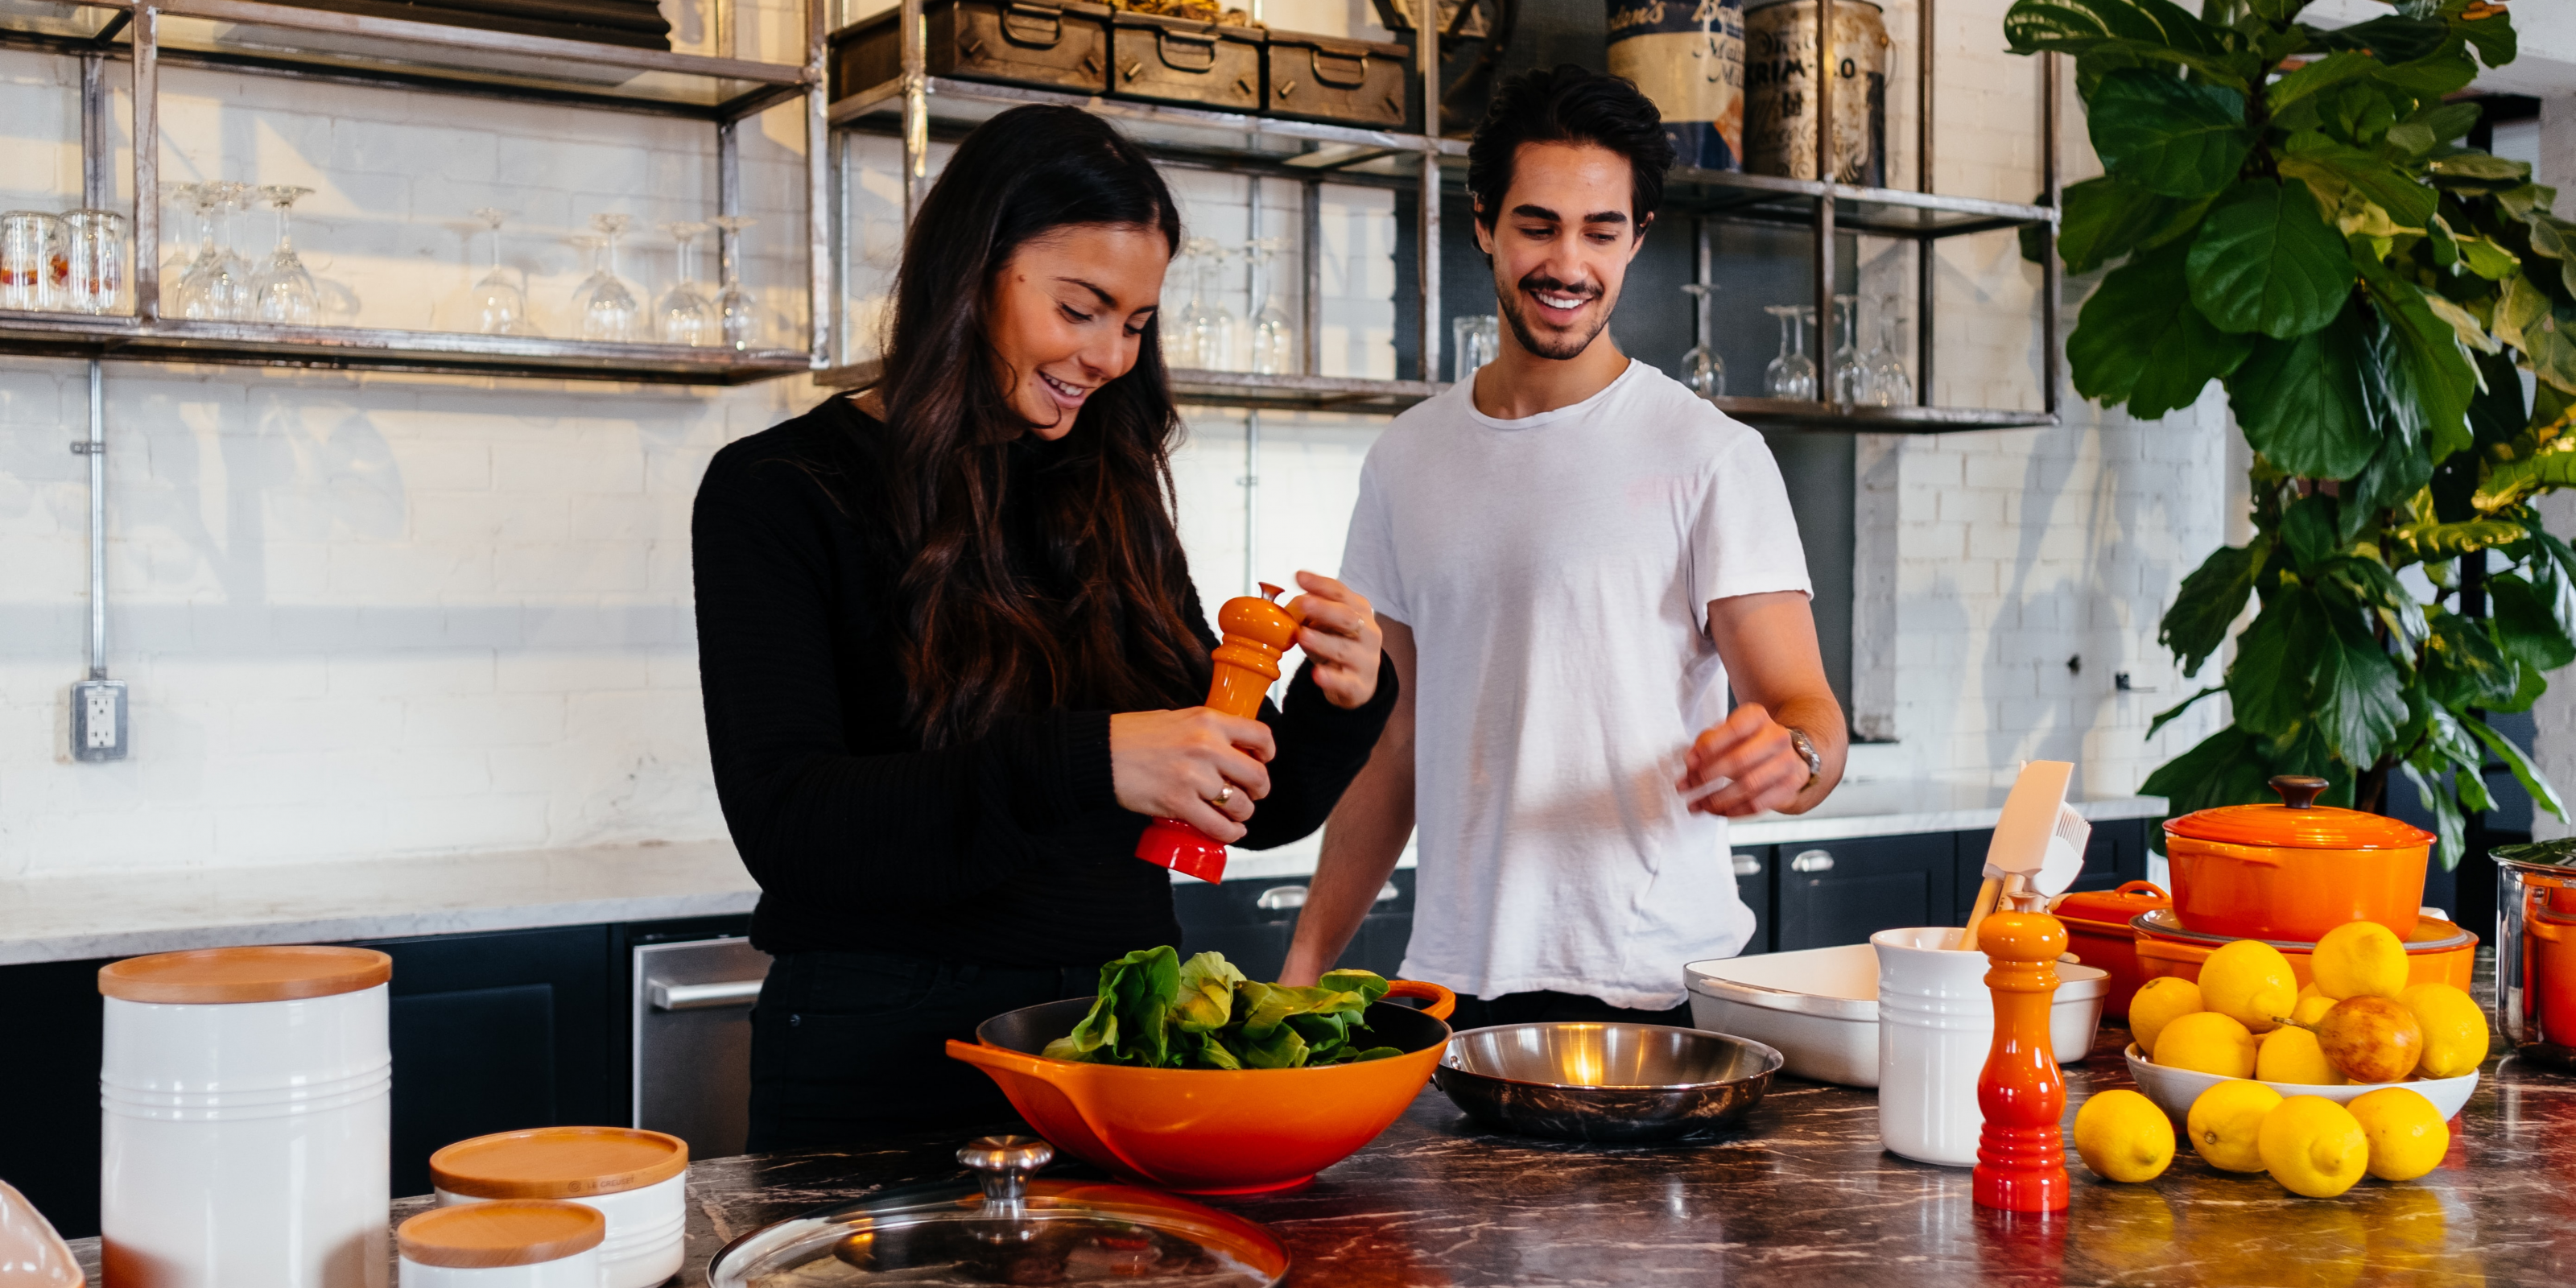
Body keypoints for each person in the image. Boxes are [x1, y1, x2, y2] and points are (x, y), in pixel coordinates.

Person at [692, 105, 1397, 1151]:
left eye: (1137, 322)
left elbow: (1237, 809)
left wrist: (1341, 701)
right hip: (882, 1065)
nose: (1111, 355)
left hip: (1120, 1048)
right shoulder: (779, 492)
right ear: (973, 270)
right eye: (1082, 308)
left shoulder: (1110, 496)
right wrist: (1094, 761)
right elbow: (791, 828)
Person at [1278, 66, 1846, 1026]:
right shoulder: (1407, 457)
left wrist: (1788, 759)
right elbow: (1393, 742)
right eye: (1537, 225)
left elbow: (1807, 718)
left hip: (1655, 988)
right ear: (1482, 224)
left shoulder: (1710, 455)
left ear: (1637, 238)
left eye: (1600, 231)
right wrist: (1300, 968)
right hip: (1453, 987)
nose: (1567, 264)